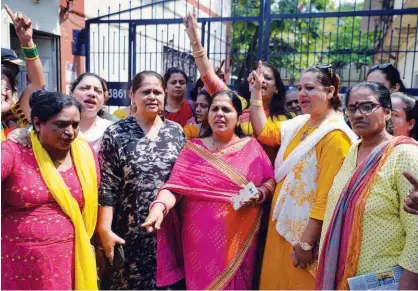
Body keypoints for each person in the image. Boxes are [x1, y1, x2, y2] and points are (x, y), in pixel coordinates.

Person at [142, 90, 276, 290]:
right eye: (215, 108)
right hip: (199, 241)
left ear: (238, 118)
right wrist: (159, 207)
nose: (219, 114)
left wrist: (259, 194)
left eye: (226, 109)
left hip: (240, 239)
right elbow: (174, 187)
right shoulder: (193, 149)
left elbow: (270, 181)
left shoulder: (252, 147)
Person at [249, 62, 357, 290]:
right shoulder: (300, 124)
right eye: (299, 88)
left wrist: (307, 243)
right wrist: (256, 92)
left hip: (304, 237)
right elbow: (266, 133)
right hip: (281, 226)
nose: (301, 94)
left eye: (309, 88)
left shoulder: (336, 137)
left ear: (330, 92)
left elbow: (327, 196)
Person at [316, 82, 418, 290]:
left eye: (367, 107)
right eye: (352, 108)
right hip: (341, 278)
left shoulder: (405, 155)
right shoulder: (353, 150)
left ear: (387, 112)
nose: (358, 114)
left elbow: (417, 231)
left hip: (387, 282)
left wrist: (409, 282)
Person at [96, 71, 186, 289]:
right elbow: (107, 187)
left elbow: (182, 179)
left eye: (157, 92)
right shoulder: (116, 133)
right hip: (128, 230)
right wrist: (105, 230)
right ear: (132, 94)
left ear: (165, 95)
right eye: (145, 92)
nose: (152, 97)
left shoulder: (176, 132)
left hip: (169, 230)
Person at [1, 90, 100, 290]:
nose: (70, 131)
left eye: (75, 125)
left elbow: (97, 197)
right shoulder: (16, 150)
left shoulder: (84, 154)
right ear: (38, 124)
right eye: (61, 124)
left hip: (71, 257)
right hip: (21, 260)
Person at [183, 12, 292, 161]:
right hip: (232, 170)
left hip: (266, 178)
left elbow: (266, 136)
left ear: (277, 87)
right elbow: (209, 77)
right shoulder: (239, 104)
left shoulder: (286, 119)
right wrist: (195, 40)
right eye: (257, 76)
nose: (261, 80)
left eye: (267, 78)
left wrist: (256, 93)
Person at [7, 72, 113, 153]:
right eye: (85, 88)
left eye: (98, 91)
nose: (92, 94)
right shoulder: (47, 125)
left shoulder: (113, 131)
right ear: (71, 93)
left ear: (104, 98)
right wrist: (20, 134)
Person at [2, 6, 45, 140]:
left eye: (8, 87)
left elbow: (37, 84)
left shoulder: (16, 114)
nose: (3, 91)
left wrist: (27, 42)